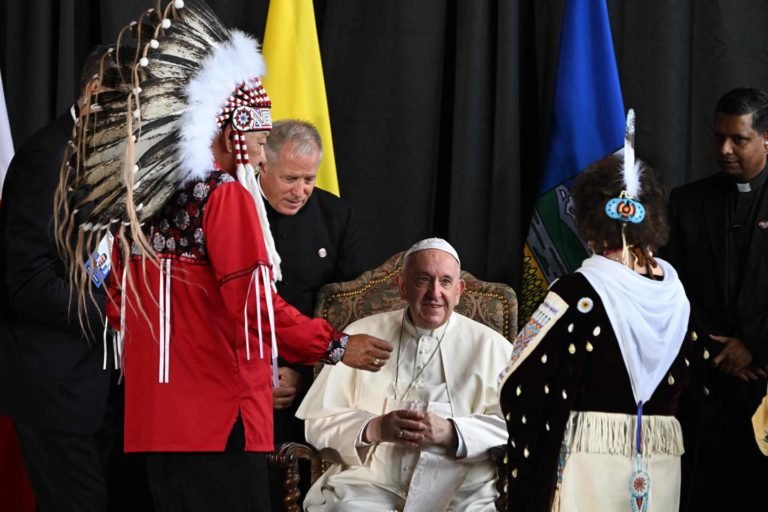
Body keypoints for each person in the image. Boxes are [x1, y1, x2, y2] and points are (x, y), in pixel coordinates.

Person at [53, 2, 393, 512]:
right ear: (232, 133)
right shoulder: (224, 198)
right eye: (257, 141)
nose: (259, 155)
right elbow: (255, 309)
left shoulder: (146, 200)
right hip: (218, 420)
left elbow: (117, 301)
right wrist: (337, 346)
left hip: (156, 420)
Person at [499, 139, 696, 511]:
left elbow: (519, 380)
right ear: (650, 220)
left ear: (590, 224)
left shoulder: (577, 293)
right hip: (660, 461)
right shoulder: (676, 294)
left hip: (589, 460)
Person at [0, 46, 143, 511]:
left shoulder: (112, 156)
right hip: (57, 387)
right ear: (96, 91)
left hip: (107, 387)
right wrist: (120, 315)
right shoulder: (47, 158)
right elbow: (29, 282)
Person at [297, 237, 514, 512]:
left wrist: (452, 432)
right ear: (401, 287)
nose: (435, 292)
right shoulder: (359, 336)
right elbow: (317, 422)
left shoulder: (492, 347)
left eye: (445, 282)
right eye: (423, 280)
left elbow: (516, 427)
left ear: (459, 291)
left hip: (461, 491)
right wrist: (375, 428)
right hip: (367, 487)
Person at [663, 87, 768, 509]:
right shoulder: (688, 201)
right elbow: (673, 287)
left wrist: (754, 346)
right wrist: (712, 347)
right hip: (707, 385)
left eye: (737, 139)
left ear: (765, 138)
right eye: (718, 137)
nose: (724, 149)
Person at [256, 120, 363, 507]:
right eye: (290, 178)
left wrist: (306, 373)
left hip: (309, 375)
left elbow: (347, 304)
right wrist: (257, 375)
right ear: (262, 166)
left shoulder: (335, 214)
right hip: (241, 372)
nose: (301, 191)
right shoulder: (236, 208)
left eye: (308, 179)